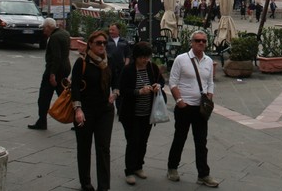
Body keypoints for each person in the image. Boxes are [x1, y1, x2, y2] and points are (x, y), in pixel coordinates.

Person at [167, 30, 218, 187]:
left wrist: (210, 96)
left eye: (203, 40)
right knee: (180, 138)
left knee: (201, 142)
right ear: (192, 42)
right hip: (185, 107)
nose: (201, 43)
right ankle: (172, 168)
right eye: (197, 40)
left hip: (201, 109)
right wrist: (180, 101)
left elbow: (210, 81)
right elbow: (173, 82)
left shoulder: (209, 61)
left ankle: (203, 174)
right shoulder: (181, 59)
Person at [72, 30, 116, 191]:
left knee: (103, 148)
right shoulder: (82, 62)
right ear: (90, 44)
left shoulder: (108, 61)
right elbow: (75, 87)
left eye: (104, 43)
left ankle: (104, 186)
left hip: (105, 110)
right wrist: (78, 109)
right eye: (98, 43)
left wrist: (116, 92)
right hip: (85, 110)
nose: (102, 46)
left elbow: (116, 79)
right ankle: (86, 183)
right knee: (84, 147)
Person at [118, 41, 165, 185]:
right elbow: (123, 90)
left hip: (147, 113)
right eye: (142, 57)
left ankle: (139, 166)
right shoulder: (128, 70)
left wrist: (158, 86)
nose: (145, 60)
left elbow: (161, 81)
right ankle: (130, 171)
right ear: (136, 57)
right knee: (133, 141)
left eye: (147, 57)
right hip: (131, 113)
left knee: (143, 141)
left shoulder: (152, 68)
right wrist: (138, 91)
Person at [29, 17, 71, 130]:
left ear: (48, 27)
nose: (44, 31)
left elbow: (56, 57)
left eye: (44, 28)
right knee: (65, 96)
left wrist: (52, 74)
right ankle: (78, 120)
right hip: (65, 68)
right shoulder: (65, 33)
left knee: (44, 97)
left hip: (55, 70)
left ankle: (42, 121)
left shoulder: (54, 37)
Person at [106, 22, 131, 110]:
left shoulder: (124, 42)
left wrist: (126, 64)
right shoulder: (106, 41)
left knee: (118, 88)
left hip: (121, 69)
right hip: (109, 68)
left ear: (118, 30)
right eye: (110, 30)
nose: (111, 31)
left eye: (113, 30)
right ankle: (107, 105)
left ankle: (119, 107)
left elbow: (128, 55)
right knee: (106, 87)